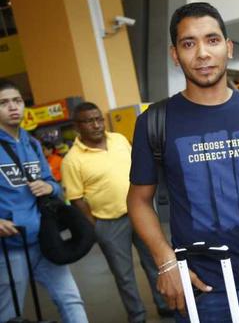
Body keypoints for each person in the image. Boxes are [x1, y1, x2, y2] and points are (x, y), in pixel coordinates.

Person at [126, 2, 239, 322]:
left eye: (212, 40)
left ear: (229, 47)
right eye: (188, 43)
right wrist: (165, 262)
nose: (202, 53)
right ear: (174, 55)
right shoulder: (154, 122)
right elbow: (139, 201)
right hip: (202, 290)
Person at [60, 102, 172, 322]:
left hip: (141, 214)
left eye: (98, 119)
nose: (96, 124)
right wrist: (96, 227)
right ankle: (137, 315)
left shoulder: (119, 140)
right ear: (77, 126)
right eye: (89, 121)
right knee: (124, 275)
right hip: (109, 223)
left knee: (156, 262)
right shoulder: (72, 160)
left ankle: (164, 304)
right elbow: (76, 199)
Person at [0, 79, 88, 323]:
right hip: (9, 248)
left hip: (44, 240)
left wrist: (49, 186)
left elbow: (55, 186)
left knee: (71, 299)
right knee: (8, 314)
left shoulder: (32, 144)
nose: (13, 107)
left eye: (17, 101)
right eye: (4, 103)